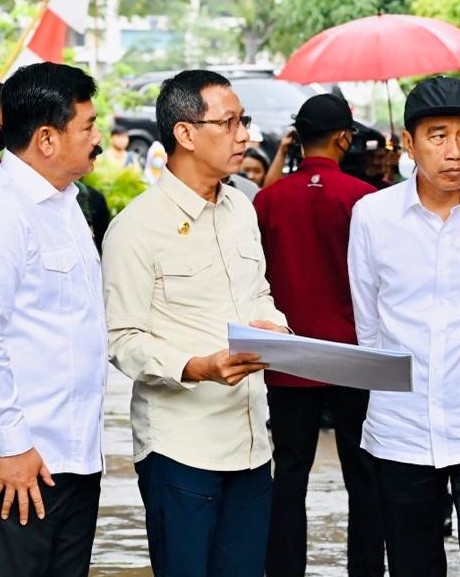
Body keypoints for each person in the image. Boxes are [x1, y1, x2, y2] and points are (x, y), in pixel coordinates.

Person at [102, 70, 289, 577]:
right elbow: (123, 340)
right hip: (180, 449)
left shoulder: (240, 209)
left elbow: (261, 293)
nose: (244, 135)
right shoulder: (136, 228)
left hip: (251, 444)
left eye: (243, 121)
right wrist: (197, 367)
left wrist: (275, 329)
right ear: (185, 134)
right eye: (228, 123)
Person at [347, 76, 460, 577]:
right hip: (401, 427)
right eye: (437, 135)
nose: (454, 151)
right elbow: (369, 323)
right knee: (412, 566)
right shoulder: (372, 216)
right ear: (408, 143)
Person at [253, 93, 383, 577]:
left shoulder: (267, 200)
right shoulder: (364, 199)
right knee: (364, 476)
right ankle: (366, 570)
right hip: (351, 355)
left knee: (288, 474)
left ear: (298, 138)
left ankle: (283, 571)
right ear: (345, 137)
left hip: (289, 353)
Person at [0, 62, 106, 577]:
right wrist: (10, 445)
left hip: (76, 456)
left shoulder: (67, 204)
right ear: (46, 138)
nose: (98, 138)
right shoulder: (8, 210)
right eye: (87, 126)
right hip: (25, 463)